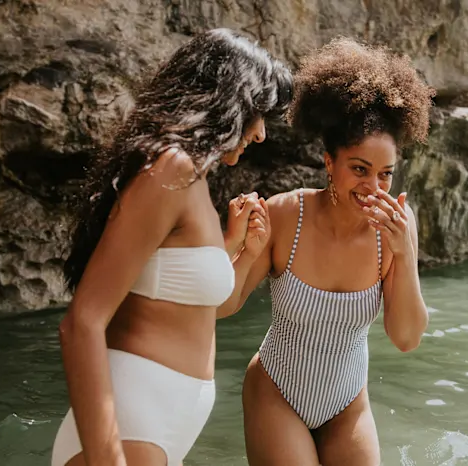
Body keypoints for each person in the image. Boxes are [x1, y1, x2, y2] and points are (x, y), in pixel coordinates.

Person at [50, 29, 291, 466]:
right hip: (128, 430)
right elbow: (81, 323)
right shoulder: (171, 168)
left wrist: (240, 251)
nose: (260, 134)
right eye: (258, 114)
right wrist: (108, 458)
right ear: (229, 98)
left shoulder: (193, 179)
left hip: (157, 429)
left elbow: (190, 310)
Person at [216, 37, 434, 465]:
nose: (373, 187)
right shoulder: (284, 215)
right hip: (275, 392)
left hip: (347, 403)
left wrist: (405, 254)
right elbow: (222, 306)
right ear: (329, 162)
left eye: (385, 174)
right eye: (359, 169)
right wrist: (242, 250)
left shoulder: (394, 231)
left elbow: (406, 338)